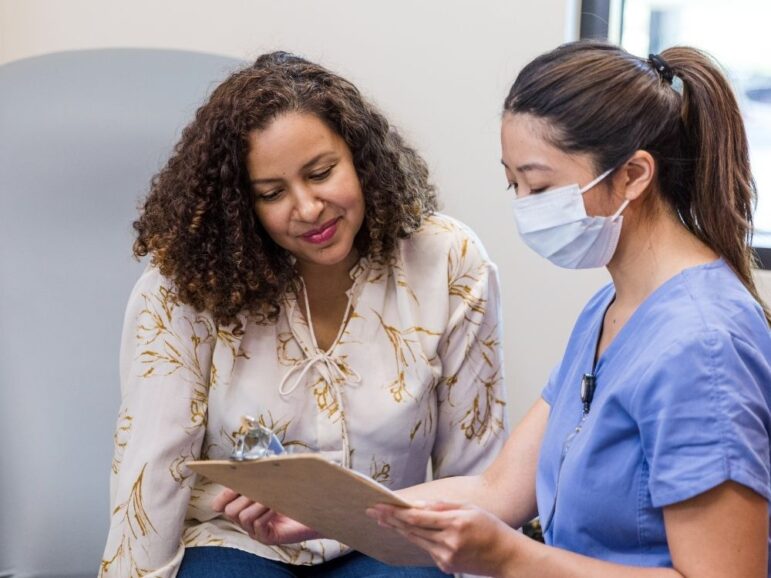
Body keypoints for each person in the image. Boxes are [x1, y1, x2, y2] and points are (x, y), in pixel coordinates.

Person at [230, 41, 771, 576]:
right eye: (514, 184)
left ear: (633, 175)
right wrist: (321, 513)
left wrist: (512, 556)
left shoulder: (703, 345)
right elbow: (499, 489)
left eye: (540, 186)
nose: (524, 209)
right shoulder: (613, 310)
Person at [100, 51, 508, 577]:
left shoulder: (448, 261)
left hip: (386, 536)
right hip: (235, 540)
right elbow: (153, 468)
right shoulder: (184, 284)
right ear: (241, 207)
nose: (309, 208)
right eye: (272, 194)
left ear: (360, 159)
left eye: (321, 173)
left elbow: (478, 473)